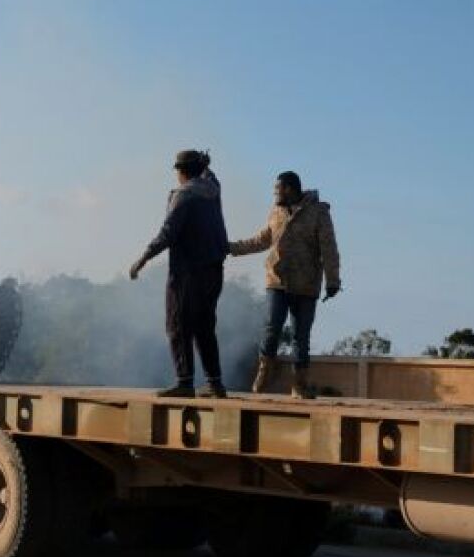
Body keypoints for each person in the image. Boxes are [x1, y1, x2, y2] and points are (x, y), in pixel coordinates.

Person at [229, 171, 341, 398]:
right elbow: (263, 239)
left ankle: (299, 384)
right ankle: (264, 372)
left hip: (306, 283)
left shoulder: (318, 212)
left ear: (289, 189)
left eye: (277, 189)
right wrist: (232, 248)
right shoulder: (276, 211)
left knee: (301, 336)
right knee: (272, 327)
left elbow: (329, 247)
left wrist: (333, 280)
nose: (275, 194)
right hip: (277, 280)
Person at [130, 150, 230, 398]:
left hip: (187, 272)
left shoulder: (184, 195)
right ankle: (215, 383)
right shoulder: (213, 189)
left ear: (181, 171)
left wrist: (143, 258)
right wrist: (206, 166)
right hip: (214, 269)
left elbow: (168, 233)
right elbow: (211, 176)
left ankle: (184, 382)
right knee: (205, 326)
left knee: (178, 324)